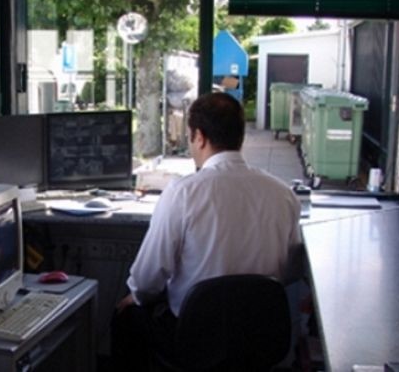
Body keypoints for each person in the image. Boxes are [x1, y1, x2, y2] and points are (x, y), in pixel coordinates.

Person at [111, 92, 302, 371]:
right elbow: (291, 270)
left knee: (124, 317)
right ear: (240, 137)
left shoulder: (183, 193)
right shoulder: (283, 194)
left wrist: (135, 296)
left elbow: (148, 276)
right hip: (259, 337)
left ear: (199, 137)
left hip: (195, 338)